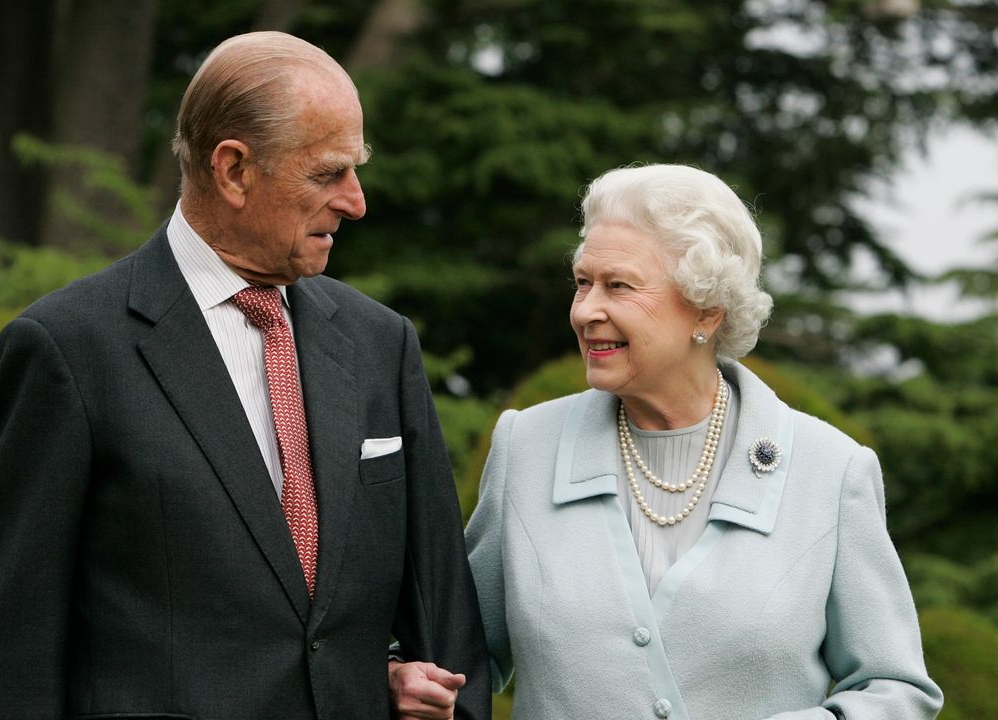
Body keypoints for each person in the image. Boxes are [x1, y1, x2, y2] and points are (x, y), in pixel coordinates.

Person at [0, 31, 489, 720]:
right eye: (328, 173)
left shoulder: (380, 343)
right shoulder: (66, 350)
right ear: (234, 170)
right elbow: (11, 659)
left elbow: (446, 629)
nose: (356, 201)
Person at [393, 164, 943, 719]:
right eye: (583, 282)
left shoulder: (831, 470)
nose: (586, 311)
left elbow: (896, 689)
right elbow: (460, 653)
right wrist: (410, 681)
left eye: (620, 286)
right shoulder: (527, 447)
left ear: (706, 308)